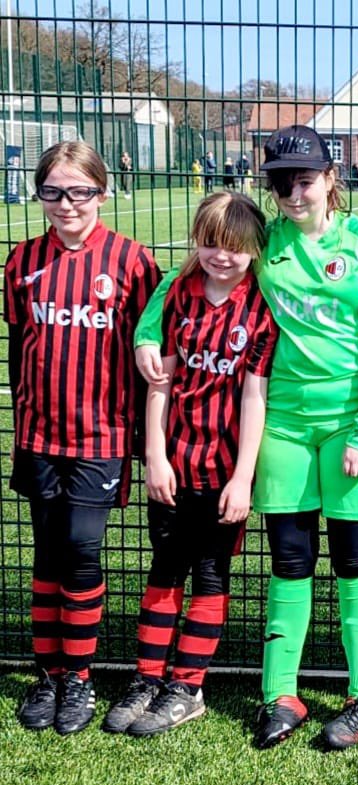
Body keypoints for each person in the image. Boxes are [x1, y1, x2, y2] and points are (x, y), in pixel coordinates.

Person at [134, 125, 358, 751]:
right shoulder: (266, 239)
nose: (292, 193)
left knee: (356, 561)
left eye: (304, 179)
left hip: (349, 428)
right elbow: (187, 283)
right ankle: (279, 694)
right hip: (281, 425)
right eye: (281, 182)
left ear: (330, 179)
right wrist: (150, 334)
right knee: (290, 561)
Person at [103, 192, 277, 737]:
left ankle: (187, 685)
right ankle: (147, 677)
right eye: (210, 244)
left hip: (223, 472)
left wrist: (243, 477)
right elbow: (162, 383)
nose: (221, 256)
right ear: (195, 242)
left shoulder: (261, 309)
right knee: (163, 569)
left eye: (234, 247)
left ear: (253, 250)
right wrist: (154, 455)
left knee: (210, 574)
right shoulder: (177, 296)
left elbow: (255, 397)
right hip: (174, 466)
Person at [4, 141, 160, 735]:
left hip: (101, 436)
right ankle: (49, 674)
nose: (66, 203)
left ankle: (80, 677)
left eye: (79, 191)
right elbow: (20, 353)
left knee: (83, 551)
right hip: (40, 437)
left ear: (101, 191)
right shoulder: (22, 261)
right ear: (39, 193)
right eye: (52, 192)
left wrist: (148, 440)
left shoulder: (131, 261)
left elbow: (149, 356)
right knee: (46, 556)